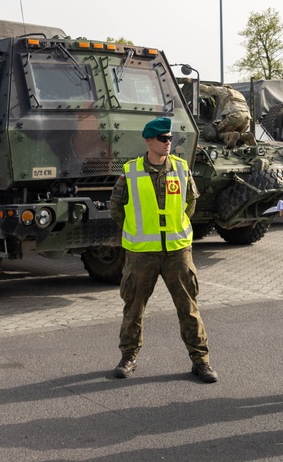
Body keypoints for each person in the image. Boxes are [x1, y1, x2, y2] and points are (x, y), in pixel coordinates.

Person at [109, 117, 217, 383]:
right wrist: (136, 232)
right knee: (133, 308)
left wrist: (175, 228)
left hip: (177, 252)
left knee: (189, 308)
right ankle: (128, 356)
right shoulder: (131, 171)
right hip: (142, 253)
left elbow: (190, 204)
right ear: (148, 141)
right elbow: (116, 208)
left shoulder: (181, 169)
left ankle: (201, 360)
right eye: (163, 139)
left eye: (170, 138)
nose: (168, 143)